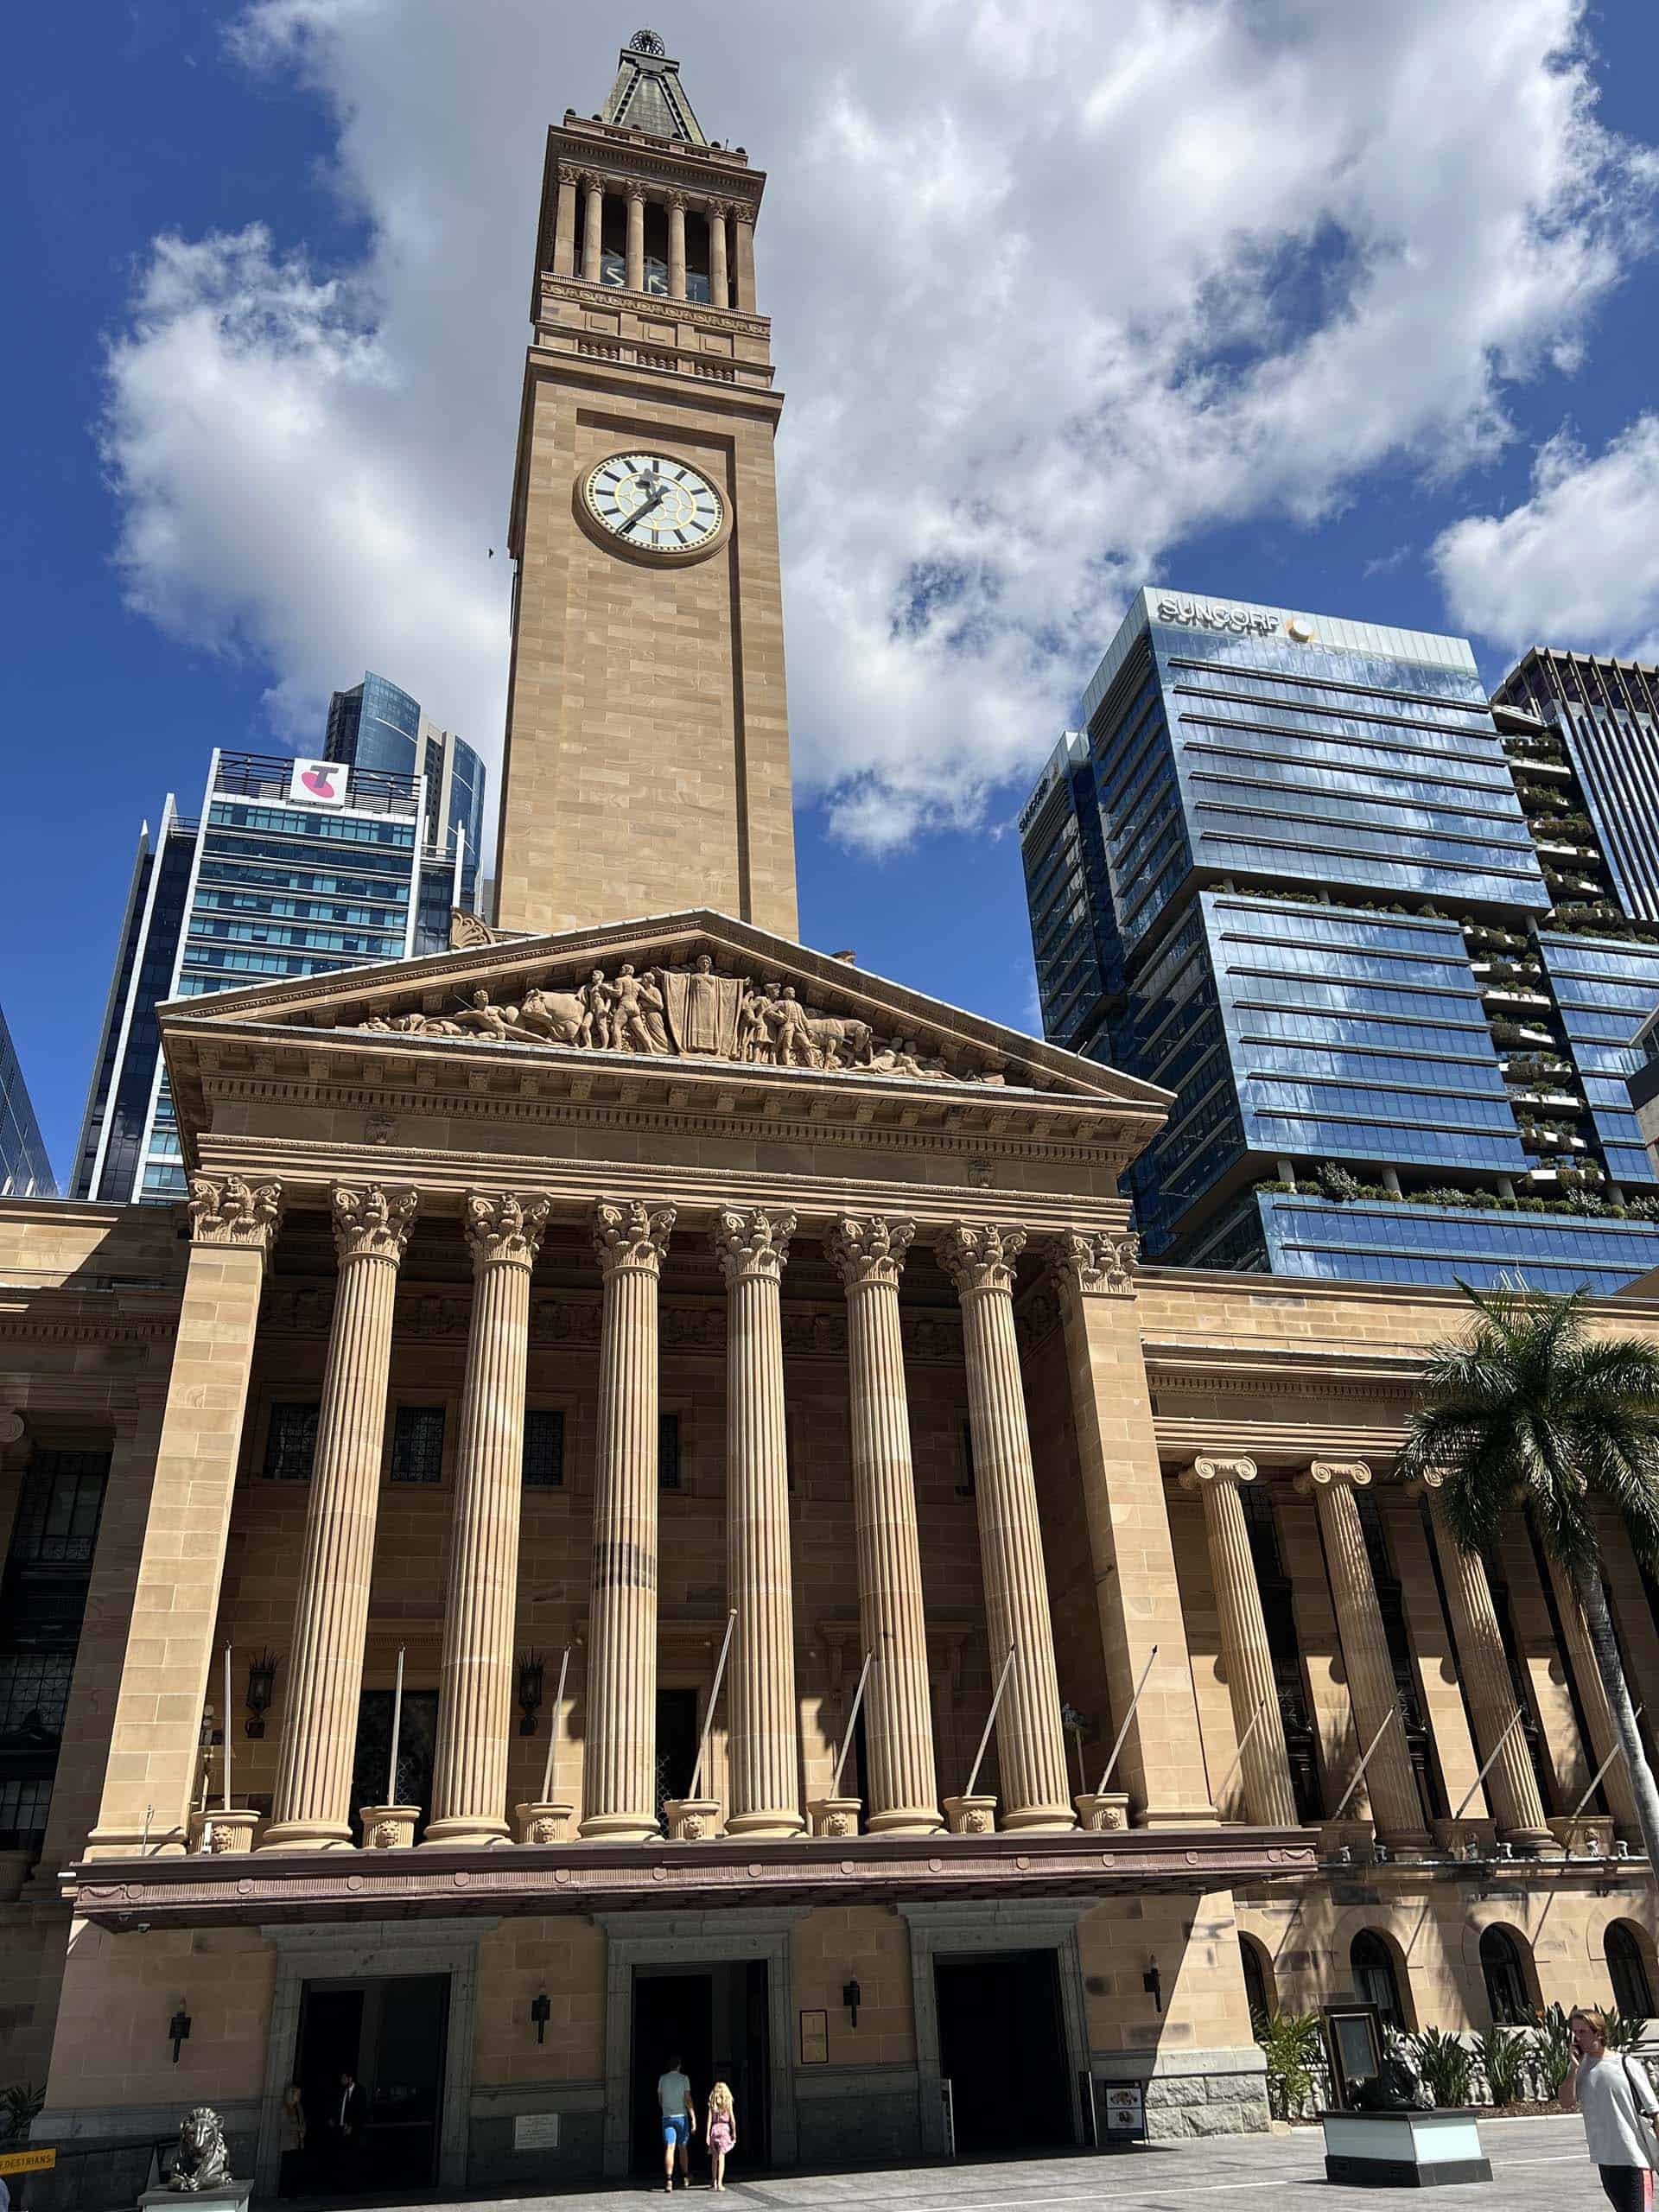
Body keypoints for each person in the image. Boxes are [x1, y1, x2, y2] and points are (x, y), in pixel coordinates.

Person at [1561, 2005, 1659, 2212]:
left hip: (1635, 2158)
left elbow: (1654, 2111)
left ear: (1598, 2033)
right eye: (1574, 2033)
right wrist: (1573, 2069)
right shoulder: (1580, 2069)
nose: (1577, 2038)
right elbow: (1566, 2102)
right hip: (1605, 2160)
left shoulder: (1625, 2064)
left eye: (1582, 2032)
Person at [657, 2052, 696, 2192]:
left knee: (670, 2148)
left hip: (667, 2117)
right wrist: (694, 2118)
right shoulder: (684, 2079)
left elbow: (660, 2100)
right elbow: (688, 2099)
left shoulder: (662, 2079)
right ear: (679, 2066)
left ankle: (669, 2180)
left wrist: (667, 2108)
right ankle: (685, 2177)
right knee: (682, 2147)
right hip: (681, 2117)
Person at [706, 2081, 737, 2191]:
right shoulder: (727, 2104)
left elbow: (709, 2120)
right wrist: (734, 2132)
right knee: (721, 2157)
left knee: (714, 2158)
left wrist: (707, 2134)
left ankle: (713, 2181)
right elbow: (732, 2120)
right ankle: (720, 2183)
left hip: (714, 2129)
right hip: (724, 2129)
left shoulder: (712, 2104)